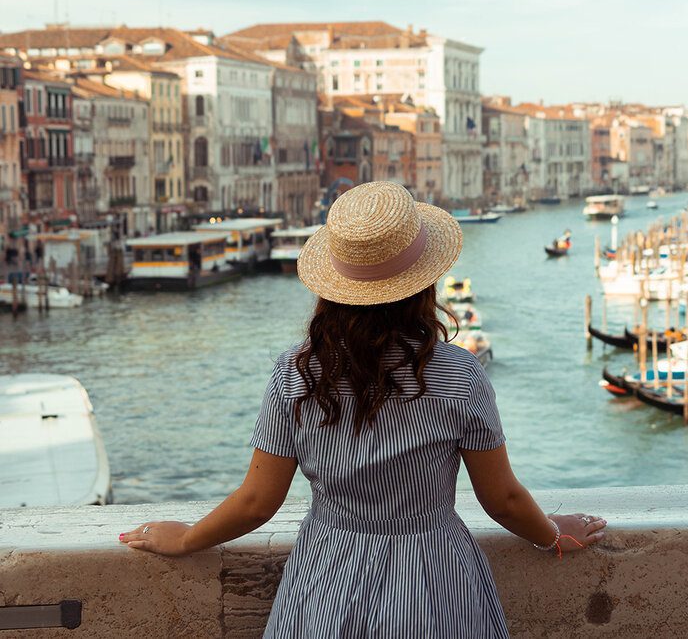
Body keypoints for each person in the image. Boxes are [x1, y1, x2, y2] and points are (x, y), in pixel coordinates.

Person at [120, 182, 606, 637]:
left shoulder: (297, 373)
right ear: (425, 285)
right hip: (435, 583)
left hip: (324, 583)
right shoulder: (459, 374)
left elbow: (256, 502)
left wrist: (185, 541)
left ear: (333, 288)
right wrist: (551, 534)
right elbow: (502, 500)